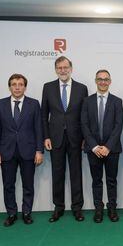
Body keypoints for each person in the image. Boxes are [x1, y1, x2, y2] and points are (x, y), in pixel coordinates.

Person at [0, 74, 43, 226]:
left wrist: (39, 150)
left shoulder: (34, 104)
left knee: (28, 184)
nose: (17, 87)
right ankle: (11, 213)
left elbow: (38, 128)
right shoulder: (0, 104)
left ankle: (27, 212)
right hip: (6, 151)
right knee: (8, 185)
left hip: (28, 150)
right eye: (14, 84)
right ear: (10, 87)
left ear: (25, 87)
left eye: (20, 84)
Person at [41, 56, 88, 222]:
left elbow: (85, 116)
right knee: (57, 174)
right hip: (55, 138)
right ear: (56, 70)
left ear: (71, 68)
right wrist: (46, 136)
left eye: (65, 67)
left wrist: (85, 138)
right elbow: (43, 115)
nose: (63, 70)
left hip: (76, 138)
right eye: (59, 67)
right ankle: (58, 208)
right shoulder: (48, 87)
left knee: (76, 174)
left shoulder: (82, 88)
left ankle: (77, 208)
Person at [81, 70, 123, 223]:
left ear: (110, 81)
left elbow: (118, 126)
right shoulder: (87, 101)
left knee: (112, 180)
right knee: (96, 181)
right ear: (96, 81)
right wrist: (94, 146)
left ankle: (112, 208)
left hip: (111, 150)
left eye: (106, 79)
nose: (103, 82)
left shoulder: (117, 101)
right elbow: (84, 125)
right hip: (94, 150)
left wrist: (108, 147)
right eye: (100, 79)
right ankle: (98, 208)